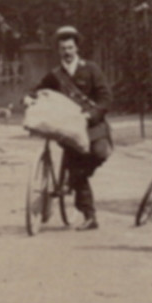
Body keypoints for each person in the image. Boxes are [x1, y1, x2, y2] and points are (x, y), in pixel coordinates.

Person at [35, 26, 111, 231]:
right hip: (70, 131)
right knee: (78, 167)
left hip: (93, 127)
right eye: (62, 48)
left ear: (77, 48)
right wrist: (27, 98)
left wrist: (91, 115)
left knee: (100, 153)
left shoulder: (91, 69)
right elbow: (37, 90)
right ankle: (89, 215)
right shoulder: (55, 75)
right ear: (58, 51)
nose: (67, 52)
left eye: (70, 47)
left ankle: (73, 179)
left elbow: (105, 99)